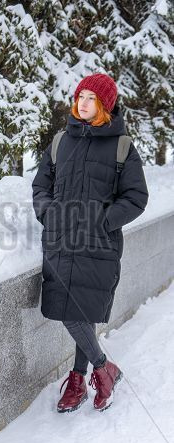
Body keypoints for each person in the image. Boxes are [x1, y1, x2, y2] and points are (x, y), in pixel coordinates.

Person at [32, 73, 149, 413]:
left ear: (104, 105)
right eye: (80, 96)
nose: (82, 103)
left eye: (90, 99)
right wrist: (49, 214)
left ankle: (86, 375)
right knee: (70, 310)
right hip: (60, 241)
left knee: (81, 311)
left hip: (98, 244)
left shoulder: (122, 146)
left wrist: (102, 220)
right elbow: (41, 187)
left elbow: (136, 197)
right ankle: (99, 370)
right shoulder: (59, 142)